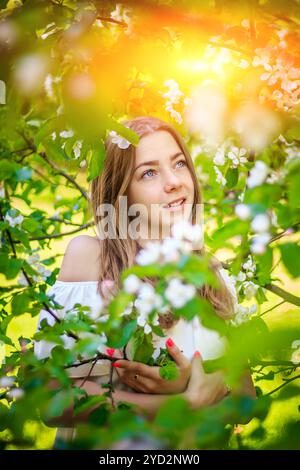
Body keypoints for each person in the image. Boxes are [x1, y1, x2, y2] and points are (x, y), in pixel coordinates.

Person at [34, 116, 256, 448]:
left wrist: (191, 383)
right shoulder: (92, 260)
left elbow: (245, 401)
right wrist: (180, 403)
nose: (174, 182)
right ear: (122, 192)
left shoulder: (210, 273)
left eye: (179, 163)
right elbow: (50, 401)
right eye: (148, 172)